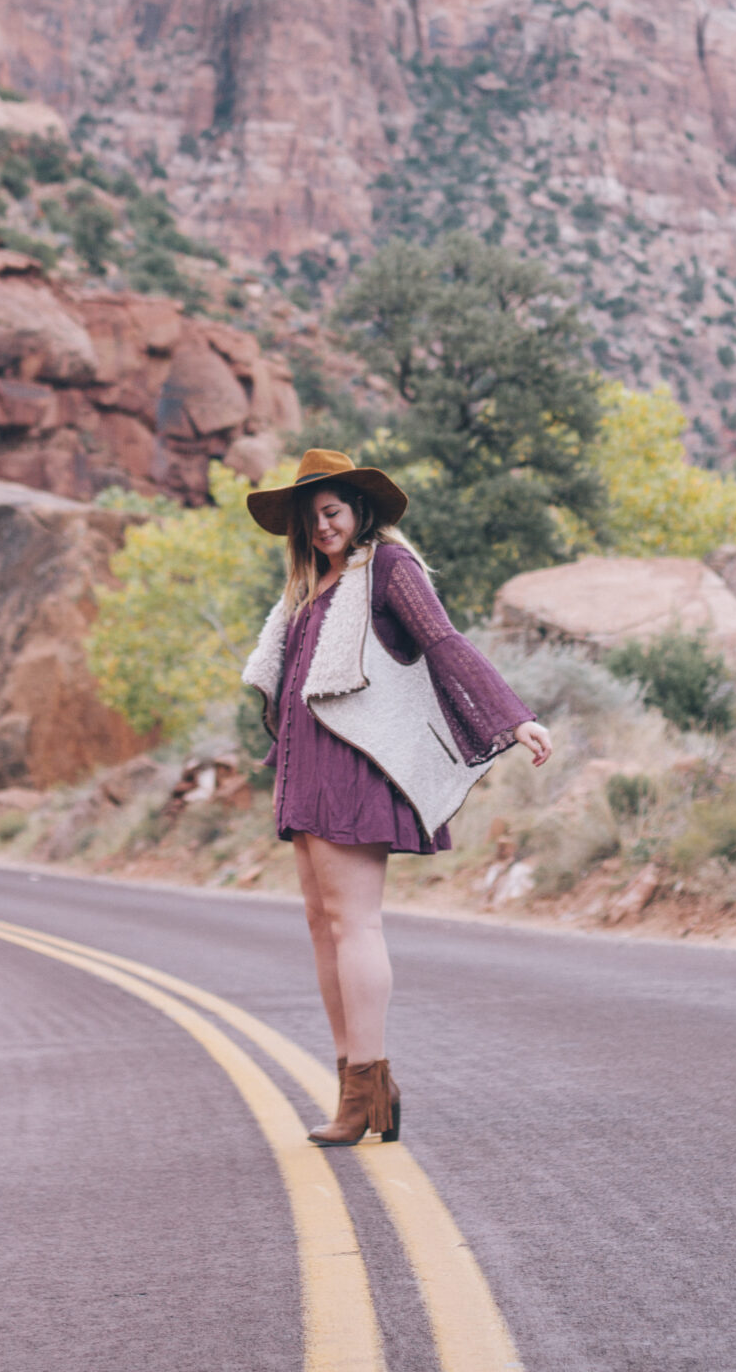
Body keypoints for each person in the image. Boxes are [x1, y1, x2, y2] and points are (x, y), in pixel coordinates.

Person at [242, 448, 551, 1146]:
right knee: (324, 926)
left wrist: (513, 716)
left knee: (355, 924)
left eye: (333, 512)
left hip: (355, 765)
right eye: (312, 518)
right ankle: (364, 1085)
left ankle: (363, 1090)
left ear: (359, 510)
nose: (323, 527)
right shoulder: (308, 588)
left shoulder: (388, 568)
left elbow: (443, 642)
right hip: (303, 765)